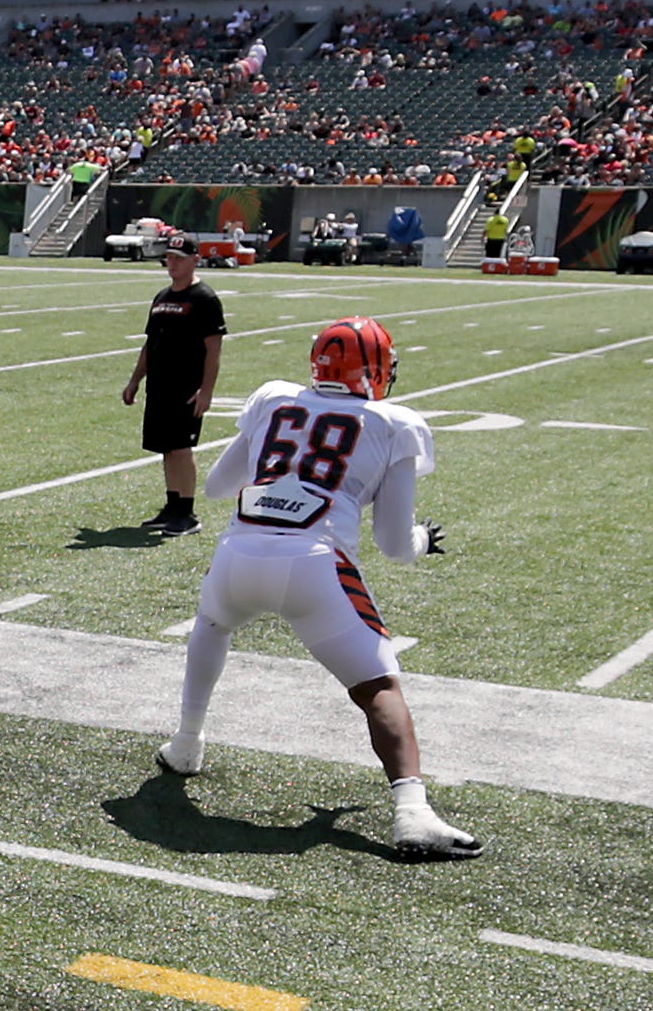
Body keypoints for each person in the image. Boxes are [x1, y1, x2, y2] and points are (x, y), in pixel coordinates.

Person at [160, 319, 482, 860]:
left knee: (213, 626)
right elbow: (394, 543)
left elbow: (217, 485)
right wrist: (425, 539)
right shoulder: (392, 422)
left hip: (240, 551)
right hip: (317, 563)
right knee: (378, 685)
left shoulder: (274, 399)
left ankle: (186, 744)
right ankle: (413, 813)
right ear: (378, 367)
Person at [121, 247, 227, 531]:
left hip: (186, 386)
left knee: (182, 448)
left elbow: (213, 350)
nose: (173, 263)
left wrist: (206, 390)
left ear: (195, 260)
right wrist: (135, 380)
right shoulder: (162, 297)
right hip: (159, 386)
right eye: (169, 258)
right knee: (166, 449)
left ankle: (187, 513)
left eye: (180, 258)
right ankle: (172, 506)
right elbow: (149, 344)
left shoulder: (204, 298)